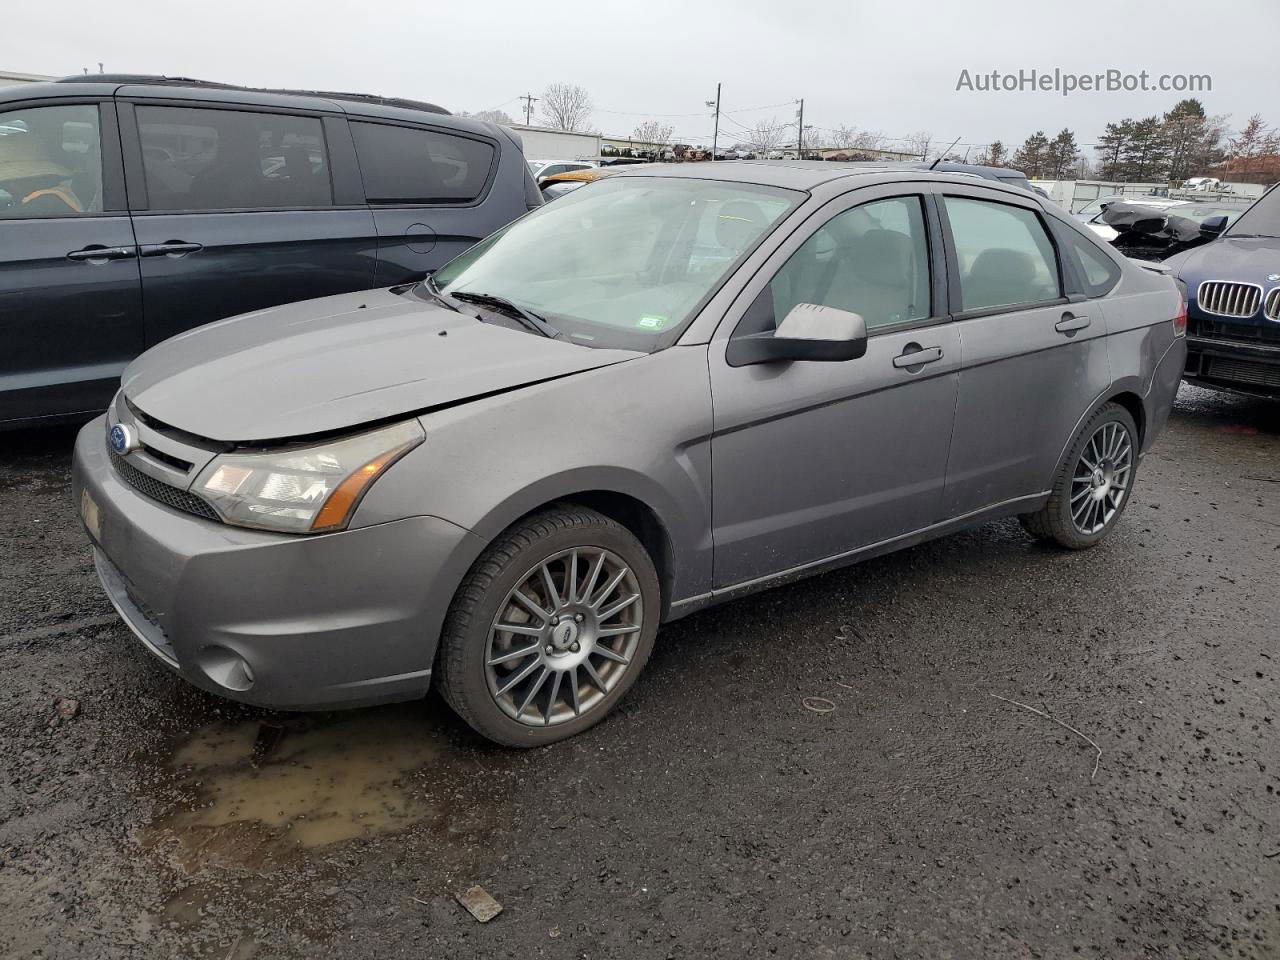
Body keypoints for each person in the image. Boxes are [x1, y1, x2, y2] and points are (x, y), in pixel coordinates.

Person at [0, 132, 84, 217]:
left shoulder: (42, 206)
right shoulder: (60, 194)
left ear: (21, 180)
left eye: (6, 182)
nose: (4, 187)